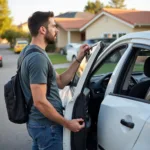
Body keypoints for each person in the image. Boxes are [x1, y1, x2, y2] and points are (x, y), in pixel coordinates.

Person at [18, 11, 90, 150]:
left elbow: (60, 81)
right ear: (43, 29)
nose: (57, 30)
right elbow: (40, 102)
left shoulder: (30, 52)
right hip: (47, 127)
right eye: (53, 26)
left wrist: (79, 58)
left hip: (39, 125)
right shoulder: (37, 58)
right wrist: (67, 123)